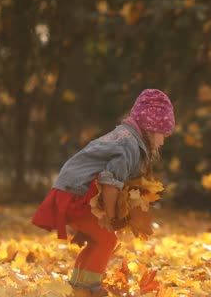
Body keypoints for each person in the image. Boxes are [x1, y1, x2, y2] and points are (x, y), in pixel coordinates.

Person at [32, 89, 174, 296]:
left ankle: (79, 287)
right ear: (151, 129)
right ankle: (90, 288)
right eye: (163, 135)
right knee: (108, 240)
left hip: (70, 190)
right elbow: (110, 181)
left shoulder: (124, 135)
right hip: (77, 194)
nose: (162, 142)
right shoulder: (130, 145)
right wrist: (111, 215)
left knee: (97, 240)